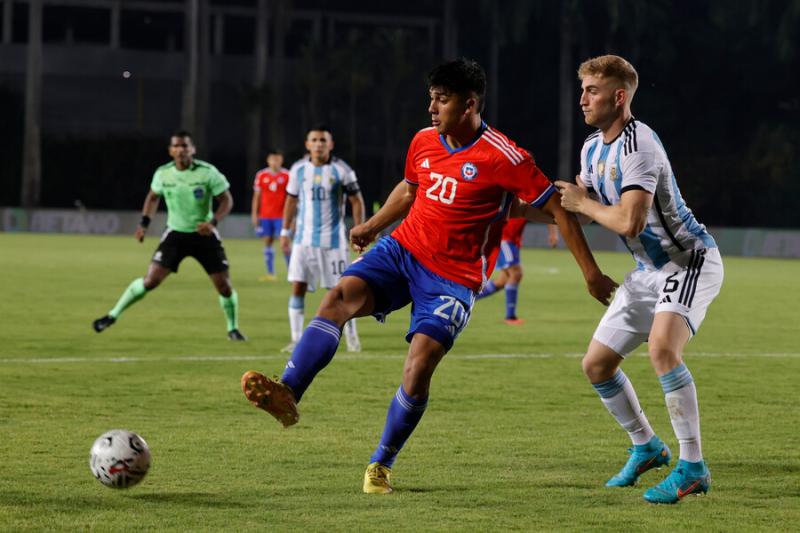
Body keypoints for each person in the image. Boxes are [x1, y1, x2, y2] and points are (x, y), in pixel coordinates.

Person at [240, 58, 617, 494]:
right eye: (431, 99)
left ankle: (381, 463)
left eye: (443, 100)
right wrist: (374, 225)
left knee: (418, 367)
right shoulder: (423, 140)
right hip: (404, 251)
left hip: (453, 279)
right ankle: (288, 391)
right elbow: (410, 188)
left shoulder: (504, 155)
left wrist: (591, 273)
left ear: (470, 104)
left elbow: (554, 206)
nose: (432, 109)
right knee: (337, 297)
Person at [555, 55, 723, 504]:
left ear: (619, 96)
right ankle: (647, 446)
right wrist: (563, 206)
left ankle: (693, 466)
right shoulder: (593, 148)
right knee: (596, 365)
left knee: (663, 350)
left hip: (687, 262)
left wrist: (581, 204)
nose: (583, 98)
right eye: (583, 88)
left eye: (592, 90)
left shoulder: (639, 144)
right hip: (647, 273)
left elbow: (628, 222)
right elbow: (595, 210)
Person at [92, 131, 246, 341]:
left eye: (185, 146)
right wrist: (143, 224)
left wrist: (213, 223)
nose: (181, 149)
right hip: (175, 234)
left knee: (224, 287)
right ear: (171, 150)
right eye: (177, 146)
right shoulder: (163, 174)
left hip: (204, 235)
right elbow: (153, 197)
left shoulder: (208, 172)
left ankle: (233, 329)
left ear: (192, 149)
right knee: (151, 280)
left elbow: (226, 200)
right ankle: (112, 315)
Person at [280, 125, 365, 353]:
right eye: (314, 140)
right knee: (297, 287)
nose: (318, 144)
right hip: (303, 241)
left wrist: (359, 229)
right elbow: (291, 201)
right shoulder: (298, 170)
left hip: (333, 243)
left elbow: (357, 200)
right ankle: (296, 339)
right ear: (308, 144)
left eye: (322, 140)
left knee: (342, 291)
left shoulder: (341, 170)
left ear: (330, 144)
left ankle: (352, 338)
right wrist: (284, 231)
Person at [476, 219, 559, 324]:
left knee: (502, 281)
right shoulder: (517, 202)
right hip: (504, 239)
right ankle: (510, 317)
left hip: (512, 241)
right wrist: (553, 234)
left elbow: (547, 212)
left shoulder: (528, 204)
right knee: (516, 273)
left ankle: (469, 298)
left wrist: (553, 233)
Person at [251, 148, 291, 281]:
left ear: (281, 160)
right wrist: (255, 214)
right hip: (265, 216)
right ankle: (270, 273)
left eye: (277, 159)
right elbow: (256, 197)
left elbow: (293, 198)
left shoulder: (287, 175)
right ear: (268, 160)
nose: (275, 162)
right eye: (272, 159)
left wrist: (293, 217)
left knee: (284, 244)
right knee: (267, 242)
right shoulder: (261, 175)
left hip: (282, 216)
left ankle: (292, 273)